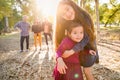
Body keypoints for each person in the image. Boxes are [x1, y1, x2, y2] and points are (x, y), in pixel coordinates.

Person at [55, 0, 99, 80]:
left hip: (88, 44)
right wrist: (59, 58)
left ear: (72, 5)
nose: (67, 14)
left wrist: (72, 51)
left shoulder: (84, 16)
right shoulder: (65, 23)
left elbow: (87, 37)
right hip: (77, 52)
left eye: (67, 9)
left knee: (87, 71)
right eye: (63, 14)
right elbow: (60, 47)